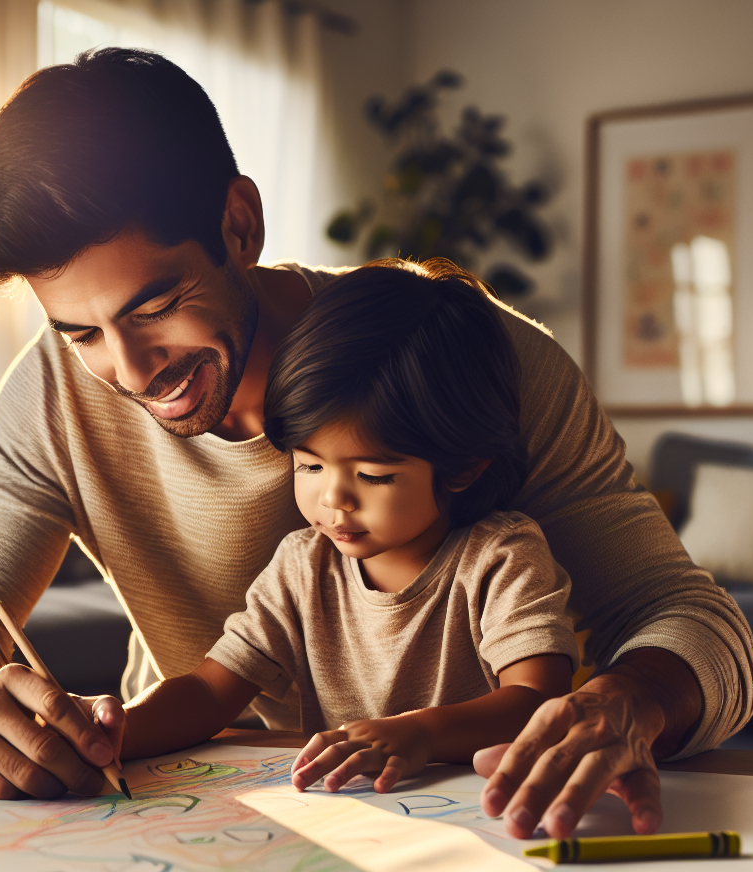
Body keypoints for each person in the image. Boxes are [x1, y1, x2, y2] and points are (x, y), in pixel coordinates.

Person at [0, 48, 753, 841]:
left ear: (239, 226)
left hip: (477, 813)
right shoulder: (54, 389)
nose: (128, 371)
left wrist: (631, 700)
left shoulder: (470, 360)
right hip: (200, 814)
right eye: (79, 330)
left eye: (155, 307)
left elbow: (692, 617)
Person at [104, 258, 579, 796]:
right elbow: (212, 693)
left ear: (463, 466)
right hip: (351, 820)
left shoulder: (500, 558)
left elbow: (538, 701)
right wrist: (113, 730)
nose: (332, 498)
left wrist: (419, 733)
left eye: (373, 475)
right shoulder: (303, 567)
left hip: (480, 812)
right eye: (309, 465)